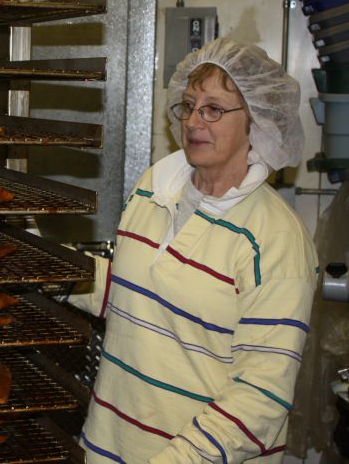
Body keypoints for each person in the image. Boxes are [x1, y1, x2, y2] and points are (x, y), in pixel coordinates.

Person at [67, 37, 319, 462]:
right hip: (108, 446)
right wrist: (42, 266)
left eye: (214, 109)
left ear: (255, 120)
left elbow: (261, 396)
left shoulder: (276, 240)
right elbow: (133, 295)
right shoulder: (155, 187)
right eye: (189, 105)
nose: (194, 122)